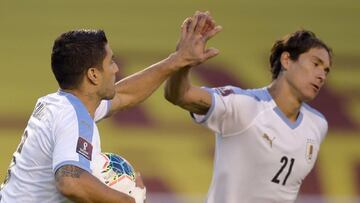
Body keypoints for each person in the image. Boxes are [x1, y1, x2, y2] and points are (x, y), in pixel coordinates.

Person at [0, 11, 222, 203]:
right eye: (111, 62)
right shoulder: (72, 116)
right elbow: (70, 182)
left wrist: (177, 60)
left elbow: (125, 94)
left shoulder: (59, 103)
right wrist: (128, 200)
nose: (116, 69)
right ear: (93, 75)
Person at [165, 29, 332, 203]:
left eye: (326, 71)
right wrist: (182, 61)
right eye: (316, 64)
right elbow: (179, 95)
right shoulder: (244, 105)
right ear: (287, 60)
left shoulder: (318, 124)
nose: (321, 75)